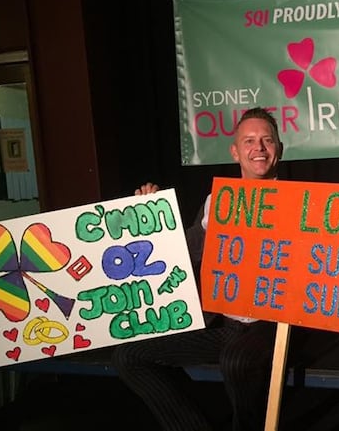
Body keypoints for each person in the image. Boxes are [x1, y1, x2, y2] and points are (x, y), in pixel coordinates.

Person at [112, 107, 284, 431]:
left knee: (235, 360)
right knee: (128, 356)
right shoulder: (216, 202)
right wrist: (150, 215)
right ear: (235, 151)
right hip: (224, 325)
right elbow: (183, 251)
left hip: (271, 327)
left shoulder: (304, 203)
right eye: (249, 141)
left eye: (267, 140)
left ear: (279, 149)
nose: (258, 148)